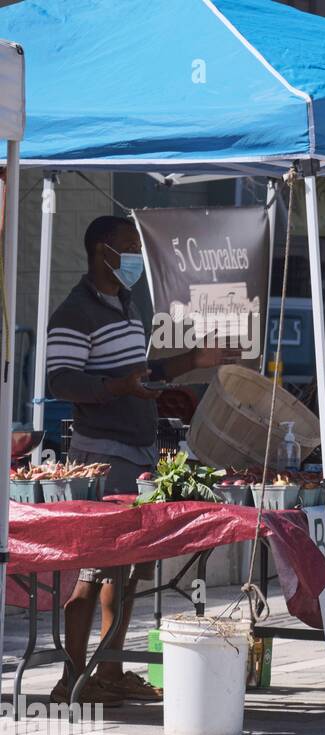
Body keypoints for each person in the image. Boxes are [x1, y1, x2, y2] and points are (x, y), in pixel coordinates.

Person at [47, 216, 233, 705]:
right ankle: (72, 677)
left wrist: (193, 360)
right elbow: (60, 381)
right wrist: (116, 388)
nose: (135, 260)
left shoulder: (127, 306)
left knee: (130, 569)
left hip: (140, 449)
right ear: (102, 250)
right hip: (103, 453)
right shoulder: (75, 311)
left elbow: (139, 372)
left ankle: (108, 671)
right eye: (129, 249)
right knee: (94, 569)